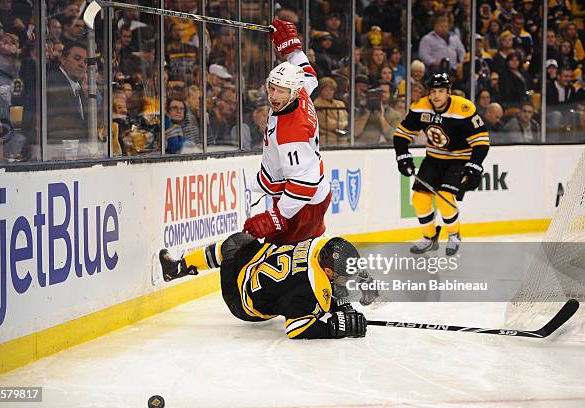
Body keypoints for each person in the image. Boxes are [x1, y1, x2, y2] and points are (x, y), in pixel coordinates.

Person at [159, 233, 370, 339]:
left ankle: (179, 266)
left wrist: (338, 305)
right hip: (243, 301)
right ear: (327, 271)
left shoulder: (319, 245)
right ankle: (178, 269)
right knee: (235, 245)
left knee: (238, 242)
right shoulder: (310, 290)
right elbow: (296, 329)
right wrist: (334, 328)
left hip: (259, 265)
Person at [242, 19, 330, 245]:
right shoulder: (301, 92)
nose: (274, 96)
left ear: (292, 92)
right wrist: (292, 49)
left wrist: (277, 217)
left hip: (303, 205)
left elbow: (304, 185)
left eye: (281, 91)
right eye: (272, 88)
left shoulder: (293, 134)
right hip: (304, 196)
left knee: (281, 258)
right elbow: (309, 74)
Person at [393, 73, 489, 255]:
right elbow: (401, 134)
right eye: (434, 91)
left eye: (441, 91)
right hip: (434, 158)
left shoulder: (464, 108)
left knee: (444, 198)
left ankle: (454, 234)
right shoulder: (420, 107)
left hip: (459, 160)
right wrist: (403, 156)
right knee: (419, 199)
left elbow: (481, 141)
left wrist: (474, 166)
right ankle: (429, 237)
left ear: (448, 92)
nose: (437, 95)